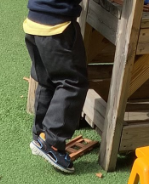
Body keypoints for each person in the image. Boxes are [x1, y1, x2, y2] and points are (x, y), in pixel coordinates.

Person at [24, 0, 89, 174]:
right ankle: (51, 142)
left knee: (47, 81)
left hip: (33, 22)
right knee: (72, 83)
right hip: (57, 27)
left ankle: (40, 134)